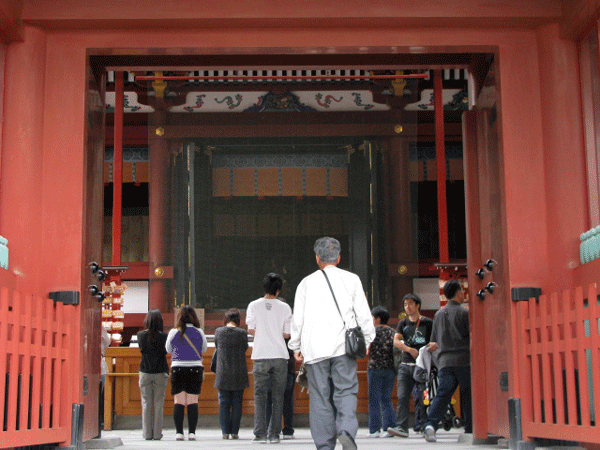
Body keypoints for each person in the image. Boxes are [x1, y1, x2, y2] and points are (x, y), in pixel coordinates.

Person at [288, 236, 375, 450]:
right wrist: (369, 338)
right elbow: (363, 313)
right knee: (346, 390)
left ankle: (325, 444)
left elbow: (297, 318)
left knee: (319, 396)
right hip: (343, 346)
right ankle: (345, 429)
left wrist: (296, 346)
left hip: (315, 348)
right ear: (339, 258)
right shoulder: (352, 279)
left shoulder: (306, 283)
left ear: (317, 258)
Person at [422, 279, 472, 443]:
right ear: (459, 293)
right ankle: (470, 427)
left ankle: (430, 424)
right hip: (463, 360)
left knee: (443, 394)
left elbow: (434, 341)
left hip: (444, 361)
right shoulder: (464, 313)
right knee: (467, 394)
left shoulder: (438, 314)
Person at [246, 273, 293, 444]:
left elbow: (251, 330)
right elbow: (288, 333)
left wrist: (263, 331)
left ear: (264, 287)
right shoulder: (285, 308)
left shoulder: (253, 306)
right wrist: (276, 332)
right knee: (278, 396)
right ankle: (274, 434)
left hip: (260, 355)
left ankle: (259, 434)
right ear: (279, 290)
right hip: (280, 355)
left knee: (259, 396)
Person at [388, 293, 433, 437]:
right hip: (405, 364)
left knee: (422, 397)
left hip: (421, 365)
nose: (407, 307)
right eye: (405, 304)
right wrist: (408, 349)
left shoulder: (428, 322)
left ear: (418, 305)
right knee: (402, 396)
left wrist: (430, 347)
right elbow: (395, 341)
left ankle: (423, 425)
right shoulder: (403, 323)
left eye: (410, 304)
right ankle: (402, 426)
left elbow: (434, 341)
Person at [166, 305, 208, 441]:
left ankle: (179, 433)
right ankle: (192, 433)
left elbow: (168, 349)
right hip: (195, 367)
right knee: (192, 401)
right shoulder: (199, 331)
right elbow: (205, 349)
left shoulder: (174, 332)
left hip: (177, 367)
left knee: (179, 401)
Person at [213, 307, 249, 440]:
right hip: (239, 372)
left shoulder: (219, 332)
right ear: (238, 320)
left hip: (223, 372)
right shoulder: (242, 333)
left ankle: (225, 432)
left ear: (226, 319)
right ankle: (235, 432)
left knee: (223, 403)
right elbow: (245, 347)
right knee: (237, 403)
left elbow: (217, 347)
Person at [137, 309, 169, 440]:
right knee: (158, 403)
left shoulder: (141, 335)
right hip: (160, 371)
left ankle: (146, 434)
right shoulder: (164, 336)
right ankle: (157, 434)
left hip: (145, 371)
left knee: (146, 403)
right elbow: (166, 351)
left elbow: (141, 350)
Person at [366, 306, 396, 438]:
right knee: (386, 399)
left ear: (377, 319)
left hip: (375, 368)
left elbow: (366, 350)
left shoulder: (372, 332)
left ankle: (374, 430)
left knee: (374, 399)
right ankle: (390, 427)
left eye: (372, 317)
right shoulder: (393, 332)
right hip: (390, 369)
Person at [266, 336, 296, 439]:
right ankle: (288, 430)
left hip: (270, 365)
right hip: (288, 365)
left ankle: (268, 429)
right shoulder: (289, 326)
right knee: (287, 399)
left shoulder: (269, 325)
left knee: (269, 399)